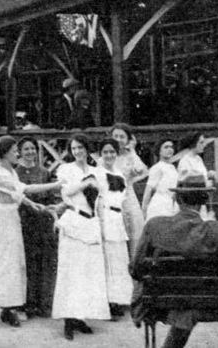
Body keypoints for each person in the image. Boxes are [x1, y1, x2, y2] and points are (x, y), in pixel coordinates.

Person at [130, 173, 218, 348]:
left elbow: (136, 268)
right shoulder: (216, 230)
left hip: (161, 302)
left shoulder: (155, 226)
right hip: (210, 303)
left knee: (184, 308)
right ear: (204, 200)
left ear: (177, 198)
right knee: (189, 306)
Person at [0, 136, 60, 332]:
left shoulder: (9, 171)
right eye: (15, 150)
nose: (17, 153)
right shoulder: (0, 174)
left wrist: (34, 205)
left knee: (14, 266)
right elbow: (27, 188)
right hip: (1, 224)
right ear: (5, 153)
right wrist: (56, 184)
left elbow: (19, 196)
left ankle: (8, 309)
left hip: (12, 221)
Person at [53, 135, 111, 340]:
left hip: (91, 222)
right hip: (74, 221)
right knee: (71, 273)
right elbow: (66, 193)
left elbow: (102, 199)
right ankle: (68, 319)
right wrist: (86, 184)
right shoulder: (66, 169)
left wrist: (103, 227)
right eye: (74, 148)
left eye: (81, 147)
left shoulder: (98, 172)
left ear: (87, 149)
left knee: (88, 273)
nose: (77, 151)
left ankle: (80, 316)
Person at [14, 137, 56, 319]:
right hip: (24, 222)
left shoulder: (45, 172)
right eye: (26, 149)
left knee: (45, 262)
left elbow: (50, 198)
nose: (30, 152)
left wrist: (51, 213)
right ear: (20, 152)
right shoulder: (15, 173)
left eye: (33, 149)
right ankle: (28, 303)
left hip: (43, 222)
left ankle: (44, 303)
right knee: (28, 264)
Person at [94, 138, 132, 318]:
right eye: (105, 152)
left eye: (112, 152)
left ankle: (118, 300)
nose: (109, 155)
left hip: (117, 218)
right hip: (105, 216)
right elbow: (98, 200)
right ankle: (108, 302)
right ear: (101, 154)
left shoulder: (120, 174)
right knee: (107, 260)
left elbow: (122, 200)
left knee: (118, 259)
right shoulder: (97, 174)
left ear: (117, 154)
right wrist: (100, 224)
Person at [107, 123, 148, 251]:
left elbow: (141, 170)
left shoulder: (131, 157)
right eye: (115, 136)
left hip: (128, 198)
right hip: (111, 200)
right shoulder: (106, 157)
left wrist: (133, 150)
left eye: (122, 137)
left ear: (128, 140)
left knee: (134, 232)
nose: (118, 139)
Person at [177, 132, 215, 220]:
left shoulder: (198, 159)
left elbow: (201, 176)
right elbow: (184, 181)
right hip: (190, 202)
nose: (204, 145)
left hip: (200, 199)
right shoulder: (185, 161)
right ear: (193, 143)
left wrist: (208, 175)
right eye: (201, 142)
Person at [142, 139, 179, 220]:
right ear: (159, 151)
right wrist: (144, 211)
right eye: (166, 147)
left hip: (172, 203)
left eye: (171, 147)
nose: (170, 149)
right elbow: (148, 190)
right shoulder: (157, 168)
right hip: (160, 204)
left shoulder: (172, 168)